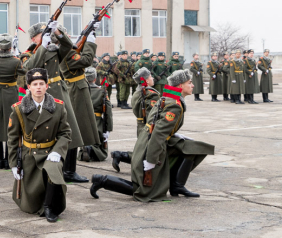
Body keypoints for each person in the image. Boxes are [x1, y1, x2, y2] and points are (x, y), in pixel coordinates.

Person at [90, 69, 215, 202]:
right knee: (145, 191)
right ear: (180, 85)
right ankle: (102, 180)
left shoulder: (169, 98)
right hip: (150, 145)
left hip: (150, 139)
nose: (193, 85)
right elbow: (158, 133)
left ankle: (177, 185)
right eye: (189, 82)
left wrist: (174, 134)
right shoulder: (174, 105)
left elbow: (154, 122)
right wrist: (151, 159)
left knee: (195, 148)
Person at [22, 22, 85, 183]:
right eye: (42, 34)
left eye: (47, 33)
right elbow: (29, 67)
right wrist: (42, 46)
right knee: (46, 133)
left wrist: (56, 31)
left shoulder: (54, 50)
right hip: (40, 95)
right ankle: (47, 169)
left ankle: (70, 170)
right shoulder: (29, 53)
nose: (46, 36)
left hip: (59, 93)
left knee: (70, 129)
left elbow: (68, 45)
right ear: (34, 38)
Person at [8, 68, 71, 222]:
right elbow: (13, 138)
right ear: (29, 87)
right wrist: (13, 164)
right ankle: (38, 202)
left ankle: (49, 207)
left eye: (41, 84)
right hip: (30, 155)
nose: (38, 87)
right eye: (35, 84)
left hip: (50, 152)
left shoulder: (58, 107)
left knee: (52, 169)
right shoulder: (18, 109)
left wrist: (57, 151)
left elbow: (65, 133)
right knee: (29, 206)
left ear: (47, 86)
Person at [59, 22, 101, 178]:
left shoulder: (65, 51)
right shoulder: (66, 53)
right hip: (76, 91)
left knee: (74, 129)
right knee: (75, 130)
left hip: (75, 89)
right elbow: (87, 60)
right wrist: (90, 42)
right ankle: (69, 171)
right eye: (66, 35)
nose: (69, 36)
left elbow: (78, 53)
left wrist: (87, 33)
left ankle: (68, 169)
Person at [0, 34, 26, 170]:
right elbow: (24, 71)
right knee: (10, 124)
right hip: (10, 93)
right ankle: (8, 160)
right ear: (10, 46)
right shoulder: (15, 61)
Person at [110, 67, 160, 173]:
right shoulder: (151, 94)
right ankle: (121, 155)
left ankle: (120, 155)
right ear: (146, 80)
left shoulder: (137, 92)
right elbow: (153, 115)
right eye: (150, 76)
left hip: (140, 125)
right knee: (147, 154)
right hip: (149, 126)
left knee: (143, 152)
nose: (152, 78)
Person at [79, 67, 113, 162]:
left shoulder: (80, 91)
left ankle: (86, 150)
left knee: (85, 140)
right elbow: (108, 113)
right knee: (101, 148)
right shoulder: (101, 91)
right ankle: (91, 149)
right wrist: (108, 129)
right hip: (97, 121)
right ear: (95, 79)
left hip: (83, 121)